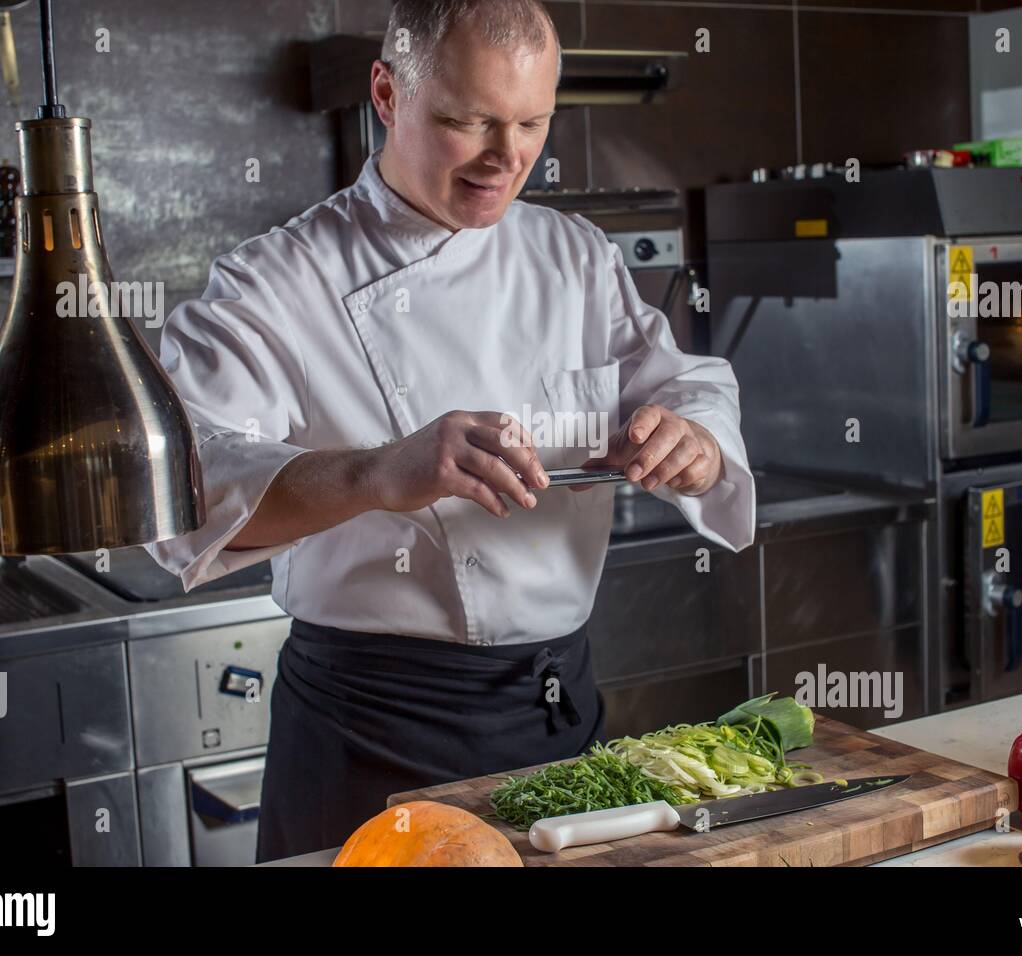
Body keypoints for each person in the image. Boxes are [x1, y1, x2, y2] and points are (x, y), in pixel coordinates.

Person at [147, 0, 755, 863]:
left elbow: (682, 383)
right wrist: (377, 476)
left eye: (533, 122)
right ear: (388, 96)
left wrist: (694, 437)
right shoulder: (274, 281)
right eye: (467, 121)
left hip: (558, 711)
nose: (507, 158)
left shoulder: (573, 255)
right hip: (375, 730)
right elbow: (187, 487)